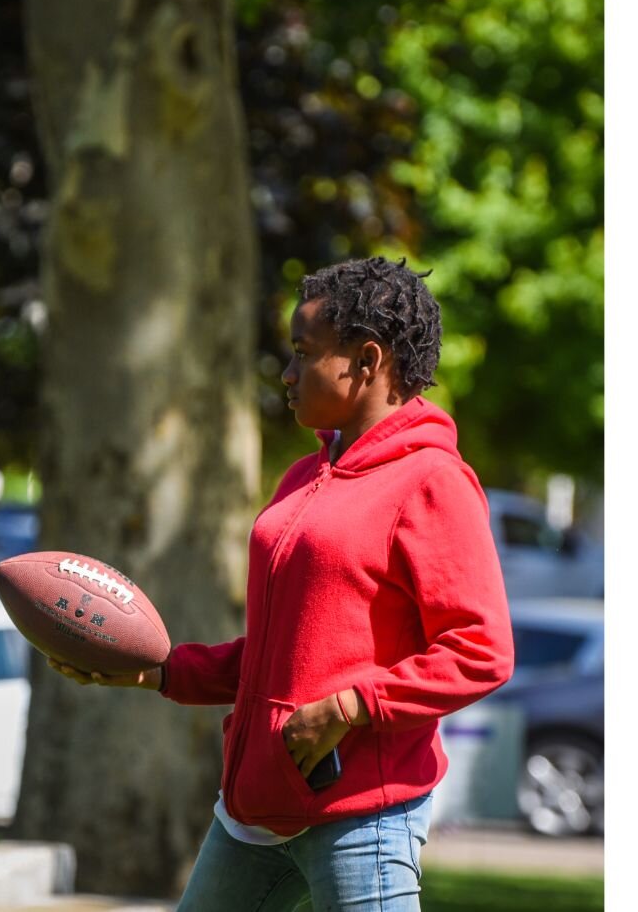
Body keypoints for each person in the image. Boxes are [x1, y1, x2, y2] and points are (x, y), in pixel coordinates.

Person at [51, 257, 515, 911]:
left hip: (362, 813)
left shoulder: (431, 481)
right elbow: (283, 652)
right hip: (255, 807)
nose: (287, 374)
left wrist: (350, 707)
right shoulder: (304, 477)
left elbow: (480, 651)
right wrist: (157, 672)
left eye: (303, 353)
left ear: (367, 360)